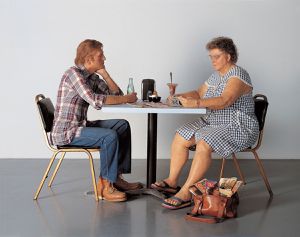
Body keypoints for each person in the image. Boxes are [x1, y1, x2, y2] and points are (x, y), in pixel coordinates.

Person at [151, 36, 259, 209]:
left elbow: (226, 100)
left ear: (228, 57)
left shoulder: (238, 74)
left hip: (237, 125)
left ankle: (186, 192)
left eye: (216, 56)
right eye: (211, 57)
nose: (212, 60)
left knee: (204, 141)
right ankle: (172, 181)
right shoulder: (216, 76)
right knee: (181, 135)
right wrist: (180, 97)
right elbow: (198, 92)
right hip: (212, 120)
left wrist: (196, 103)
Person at [51, 39, 142, 202]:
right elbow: (94, 100)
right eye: (101, 55)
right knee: (109, 136)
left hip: (80, 126)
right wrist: (126, 98)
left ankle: (116, 178)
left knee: (121, 125)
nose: (105, 58)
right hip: (66, 132)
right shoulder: (73, 74)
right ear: (89, 59)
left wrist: (105, 74)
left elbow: (116, 95)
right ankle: (106, 186)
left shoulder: (91, 77)